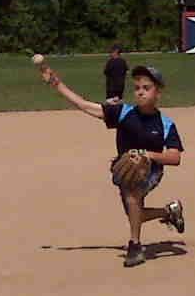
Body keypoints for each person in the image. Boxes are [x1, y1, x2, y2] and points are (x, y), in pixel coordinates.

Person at [38, 64, 185, 268]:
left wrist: (147, 155)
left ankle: (135, 246)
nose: (140, 91)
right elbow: (86, 106)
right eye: (137, 87)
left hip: (151, 171)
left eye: (146, 87)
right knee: (135, 213)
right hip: (124, 168)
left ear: (158, 92)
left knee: (132, 193)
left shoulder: (165, 123)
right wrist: (57, 83)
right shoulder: (124, 112)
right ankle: (169, 211)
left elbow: (175, 157)